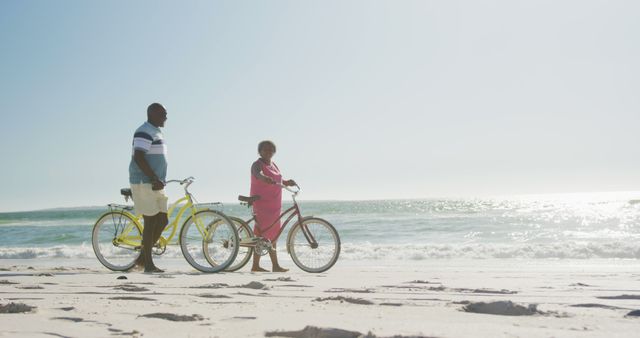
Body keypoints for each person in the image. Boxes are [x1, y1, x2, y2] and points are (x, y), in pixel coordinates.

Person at [128, 103, 168, 273]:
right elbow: (138, 156)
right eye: (163, 114)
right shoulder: (144, 131)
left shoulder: (156, 131)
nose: (166, 117)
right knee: (150, 222)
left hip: (155, 183)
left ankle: (143, 258)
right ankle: (148, 265)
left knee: (163, 220)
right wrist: (152, 178)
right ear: (152, 114)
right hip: (145, 183)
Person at [250, 140, 296, 272]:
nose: (268, 152)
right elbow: (258, 174)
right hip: (262, 202)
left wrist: (287, 182)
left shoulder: (274, 164)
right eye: (265, 149)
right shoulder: (256, 164)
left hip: (274, 203)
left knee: (273, 233)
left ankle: (275, 265)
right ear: (260, 151)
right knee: (261, 233)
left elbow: (278, 180)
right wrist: (263, 178)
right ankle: (256, 265)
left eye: (271, 149)